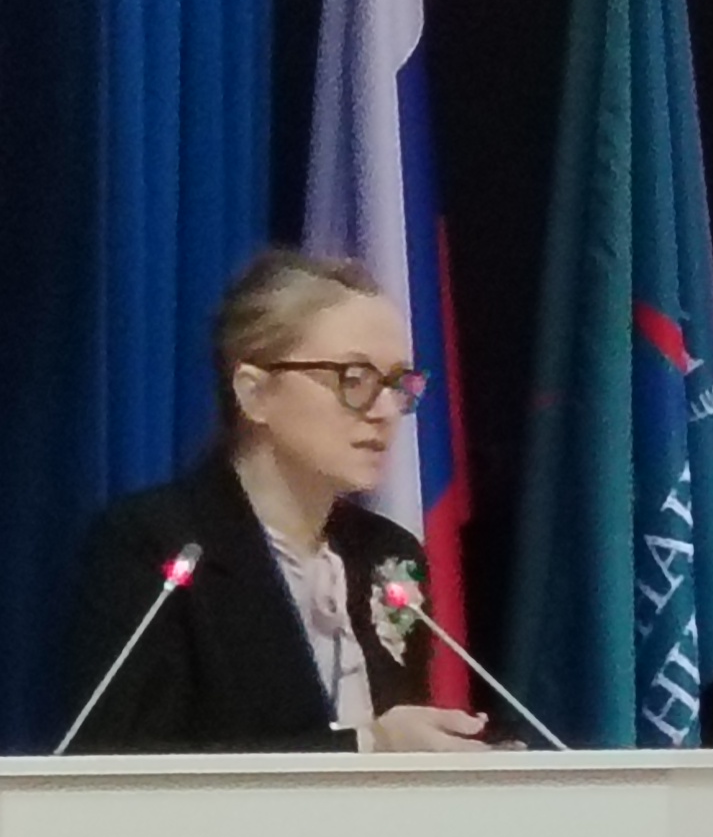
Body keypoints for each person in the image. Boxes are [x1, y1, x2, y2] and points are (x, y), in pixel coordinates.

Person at [55, 247, 486, 753]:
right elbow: (122, 760)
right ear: (254, 393)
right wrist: (369, 745)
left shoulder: (386, 556)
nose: (386, 410)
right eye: (355, 379)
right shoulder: (154, 546)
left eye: (398, 384)